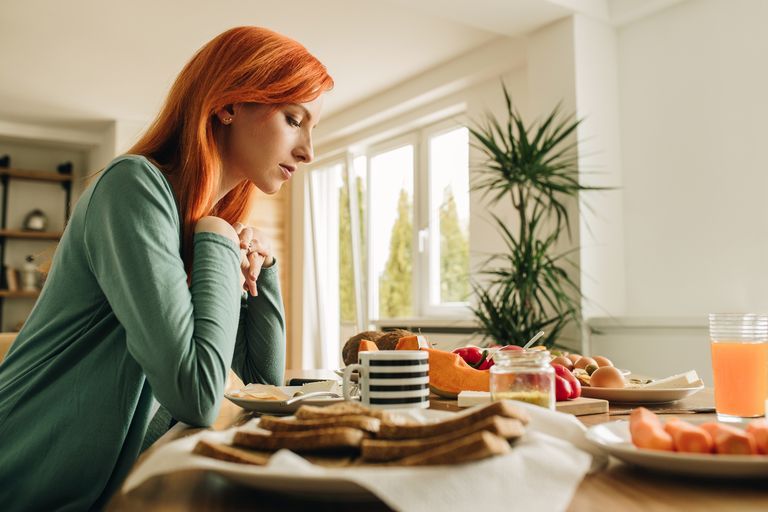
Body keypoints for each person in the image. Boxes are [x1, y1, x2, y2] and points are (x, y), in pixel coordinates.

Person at [0, 26, 332, 510]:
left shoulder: (200, 227)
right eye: (292, 118)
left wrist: (267, 268)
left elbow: (261, 393)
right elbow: (196, 395)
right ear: (229, 105)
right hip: (21, 474)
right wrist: (219, 237)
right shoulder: (133, 187)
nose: (308, 151)